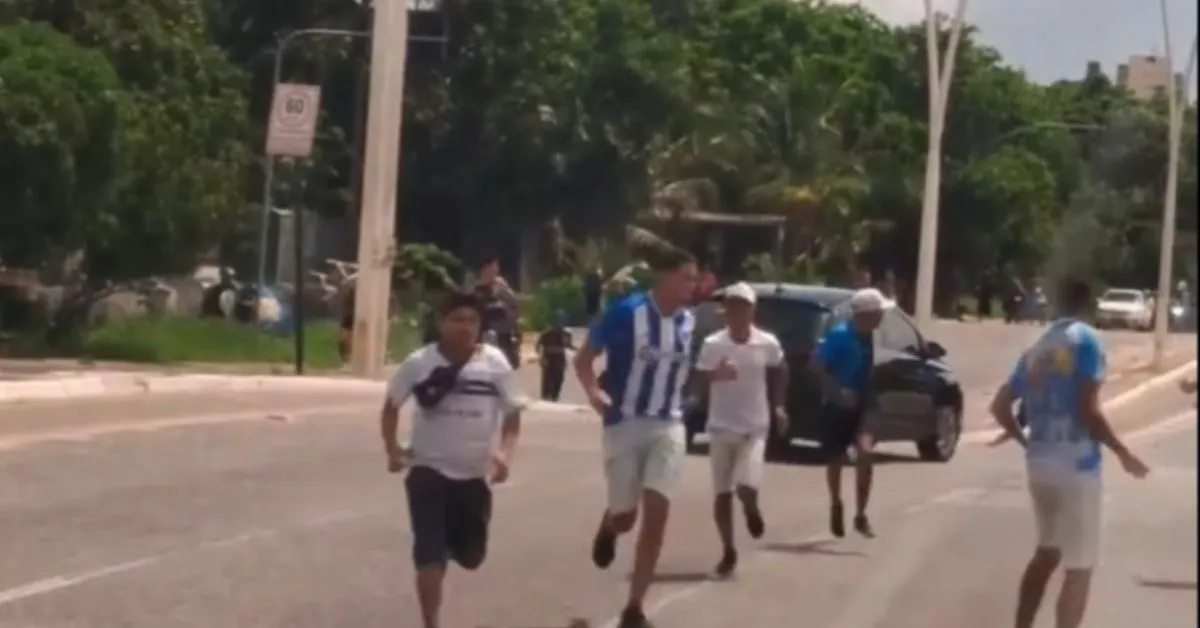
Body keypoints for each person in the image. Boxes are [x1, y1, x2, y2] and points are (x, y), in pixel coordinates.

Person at [988, 277, 1149, 628]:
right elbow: (1089, 410)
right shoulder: (1086, 341)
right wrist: (1122, 452)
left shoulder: (1037, 347)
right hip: (1077, 466)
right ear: (1087, 306)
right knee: (1079, 567)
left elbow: (1000, 406)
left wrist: (1024, 440)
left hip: (1039, 464)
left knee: (1047, 552)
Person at [380, 290, 527, 628]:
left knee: (472, 556)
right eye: (457, 319)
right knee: (429, 553)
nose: (464, 327)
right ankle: (431, 622)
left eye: (472, 320)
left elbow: (513, 414)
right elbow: (390, 406)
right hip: (428, 471)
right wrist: (392, 449)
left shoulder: (494, 363)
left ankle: (454, 550)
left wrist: (505, 453)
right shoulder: (420, 362)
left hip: (474, 476)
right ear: (442, 323)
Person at [573, 246, 698, 628]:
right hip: (624, 423)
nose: (692, 286)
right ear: (665, 277)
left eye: (695, 279)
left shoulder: (689, 322)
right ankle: (611, 524)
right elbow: (584, 359)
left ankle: (634, 607)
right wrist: (594, 392)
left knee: (658, 514)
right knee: (628, 517)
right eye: (686, 278)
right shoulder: (628, 313)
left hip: (668, 424)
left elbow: (685, 371)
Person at [692, 282, 788, 577]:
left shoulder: (767, 343)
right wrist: (714, 376)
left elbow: (780, 371)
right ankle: (728, 550)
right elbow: (697, 380)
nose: (736, 311)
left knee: (745, 486)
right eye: (731, 306)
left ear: (751, 310)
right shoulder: (713, 344)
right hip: (721, 426)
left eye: (742, 306)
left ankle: (751, 509)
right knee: (722, 494)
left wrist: (780, 406)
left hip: (754, 427)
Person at [812, 287, 890, 538]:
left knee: (865, 455)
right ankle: (836, 501)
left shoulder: (873, 338)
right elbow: (817, 366)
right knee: (835, 459)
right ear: (866, 314)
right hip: (838, 406)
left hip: (865, 404)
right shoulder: (839, 336)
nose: (882, 318)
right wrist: (838, 391)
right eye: (879, 313)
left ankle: (861, 514)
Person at [536, 311, 574, 401]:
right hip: (548, 357)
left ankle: (554, 396)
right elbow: (538, 345)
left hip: (559, 357)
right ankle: (545, 396)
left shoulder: (566, 334)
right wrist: (541, 357)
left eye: (563, 320)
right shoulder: (547, 333)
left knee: (559, 377)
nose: (561, 323)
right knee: (547, 377)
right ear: (555, 321)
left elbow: (569, 345)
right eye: (560, 320)